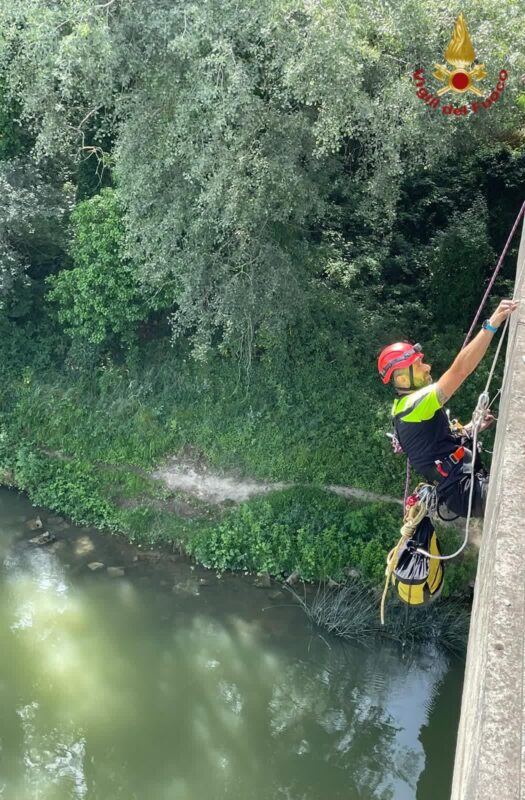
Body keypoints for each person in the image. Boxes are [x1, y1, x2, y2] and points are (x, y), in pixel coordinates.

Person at [377, 299, 519, 518]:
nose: (427, 367)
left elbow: (435, 444)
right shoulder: (414, 405)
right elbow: (460, 370)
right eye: (418, 365)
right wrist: (492, 323)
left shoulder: (403, 408)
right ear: (403, 377)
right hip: (465, 489)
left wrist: (472, 428)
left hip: (463, 487)